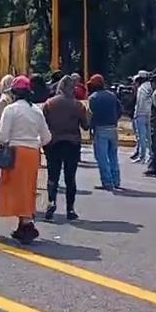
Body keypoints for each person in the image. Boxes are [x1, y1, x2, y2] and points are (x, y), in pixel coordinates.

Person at [0, 76, 51, 244]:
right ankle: (24, 223)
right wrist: (34, 143)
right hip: (32, 153)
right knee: (28, 187)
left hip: (15, 152)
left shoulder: (10, 110)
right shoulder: (36, 111)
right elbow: (47, 137)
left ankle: (26, 223)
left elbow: (3, 136)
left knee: (14, 188)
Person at [41, 75, 88, 220]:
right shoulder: (78, 105)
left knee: (52, 176)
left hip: (53, 143)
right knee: (70, 178)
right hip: (72, 143)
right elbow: (85, 126)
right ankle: (70, 209)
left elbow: (43, 123)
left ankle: (51, 202)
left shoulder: (49, 104)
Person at [87, 74, 122, 190]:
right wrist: (114, 119)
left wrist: (89, 128)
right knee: (113, 156)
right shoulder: (112, 95)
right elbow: (120, 110)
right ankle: (116, 181)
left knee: (102, 157)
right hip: (113, 128)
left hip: (100, 129)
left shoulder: (93, 98)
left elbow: (90, 116)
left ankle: (107, 182)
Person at [132, 71, 152, 163]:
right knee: (149, 137)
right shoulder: (151, 86)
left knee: (141, 137)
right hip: (150, 114)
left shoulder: (141, 88)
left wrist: (136, 114)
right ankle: (151, 155)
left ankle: (142, 156)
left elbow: (140, 102)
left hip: (141, 114)